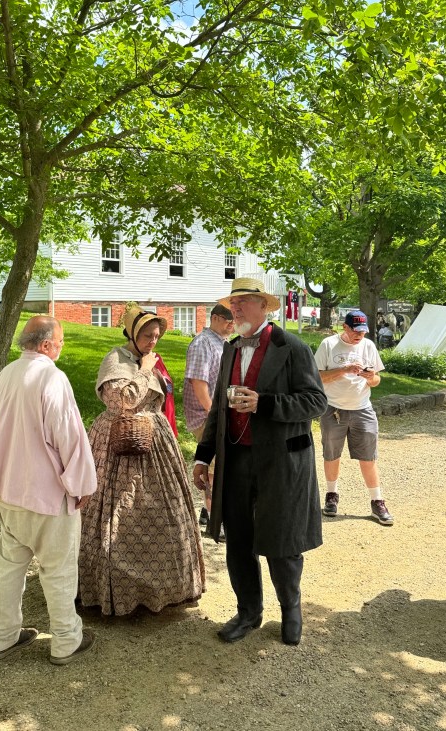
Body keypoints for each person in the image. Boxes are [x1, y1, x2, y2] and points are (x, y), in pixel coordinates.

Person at [193, 277, 327, 646]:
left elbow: (316, 402)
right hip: (236, 459)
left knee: (281, 540)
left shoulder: (293, 346)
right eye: (232, 305)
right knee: (238, 540)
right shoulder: (231, 349)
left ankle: (291, 608)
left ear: (264, 307)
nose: (235, 310)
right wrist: (204, 456)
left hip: (280, 461)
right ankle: (249, 612)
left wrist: (264, 403)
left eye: (244, 303)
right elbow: (219, 407)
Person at [0, 315, 97, 664]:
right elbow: (69, 437)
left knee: (9, 566)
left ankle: (1, 636)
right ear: (46, 345)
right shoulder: (51, 377)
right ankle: (66, 641)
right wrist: (82, 483)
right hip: (46, 493)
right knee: (58, 567)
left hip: (9, 489)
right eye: (59, 342)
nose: (61, 348)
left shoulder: (6, 374)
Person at [79, 305, 205, 616]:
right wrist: (146, 368)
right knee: (117, 512)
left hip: (155, 442)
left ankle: (164, 589)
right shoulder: (116, 358)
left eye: (157, 336)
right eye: (147, 335)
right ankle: (111, 588)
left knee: (164, 513)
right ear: (132, 334)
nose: (153, 341)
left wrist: (149, 366)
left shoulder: (150, 358)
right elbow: (123, 401)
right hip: (119, 444)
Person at [314, 309, 393, 526]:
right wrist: (344, 369)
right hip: (334, 408)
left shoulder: (368, 346)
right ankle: (332, 495)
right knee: (332, 454)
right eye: (355, 331)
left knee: (368, 456)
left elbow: (377, 380)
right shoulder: (328, 345)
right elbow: (317, 377)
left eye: (363, 332)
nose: (360, 336)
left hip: (362, 408)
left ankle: (377, 501)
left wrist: (370, 377)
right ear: (345, 327)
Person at [183, 302, 234, 529]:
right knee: (214, 469)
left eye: (234, 321)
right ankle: (217, 522)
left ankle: (207, 511)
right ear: (215, 318)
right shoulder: (203, 343)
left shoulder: (222, 343)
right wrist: (215, 416)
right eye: (228, 320)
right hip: (206, 417)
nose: (232, 325)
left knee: (220, 466)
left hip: (217, 414)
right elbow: (199, 384)